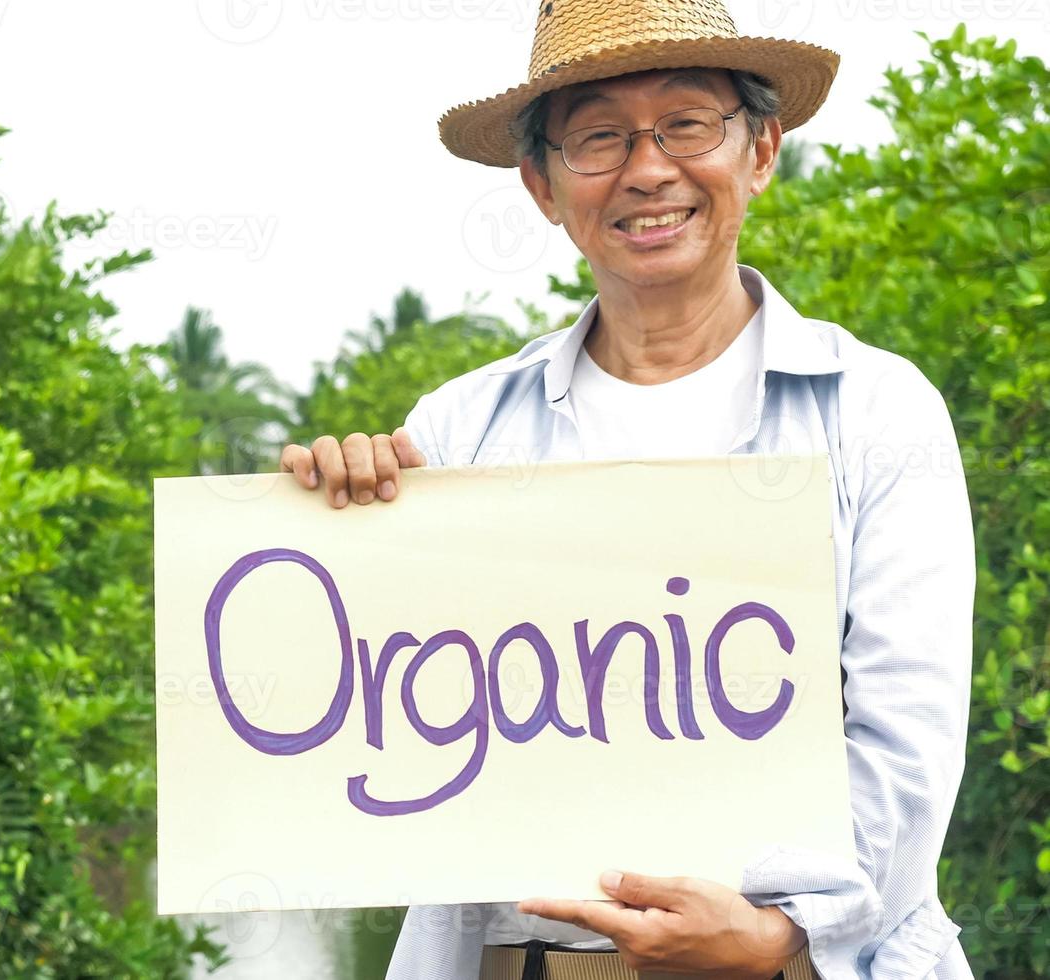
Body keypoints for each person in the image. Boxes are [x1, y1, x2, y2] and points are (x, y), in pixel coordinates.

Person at [277, 2, 976, 978]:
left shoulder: (873, 414)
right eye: (597, 136)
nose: (647, 169)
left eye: (687, 122)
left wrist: (776, 936)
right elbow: (362, 723)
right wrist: (331, 521)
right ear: (540, 184)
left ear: (759, 150)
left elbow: (905, 738)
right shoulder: (456, 431)